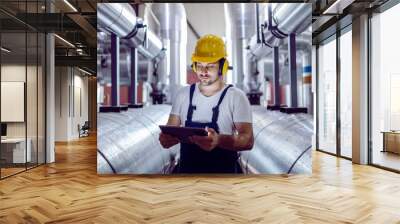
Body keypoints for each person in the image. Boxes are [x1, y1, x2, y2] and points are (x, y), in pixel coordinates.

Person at [159, 34, 254, 174]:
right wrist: (166, 139)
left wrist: (219, 140)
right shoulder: (183, 95)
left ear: (222, 66)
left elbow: (248, 141)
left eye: (210, 66)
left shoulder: (236, 97)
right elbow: (170, 131)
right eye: (200, 65)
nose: (203, 71)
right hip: (187, 178)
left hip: (224, 180)